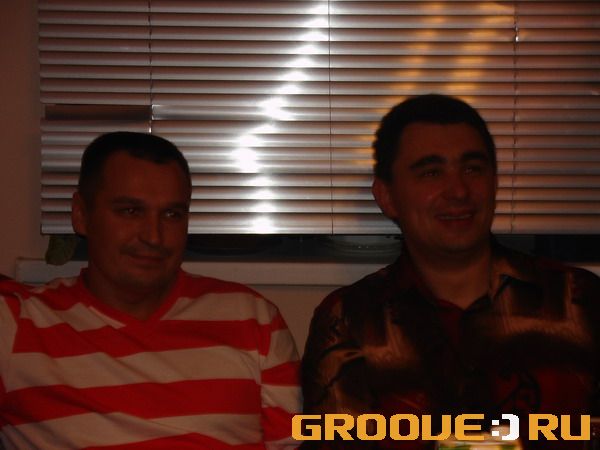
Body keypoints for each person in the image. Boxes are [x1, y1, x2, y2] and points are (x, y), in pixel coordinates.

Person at [301, 94, 599, 449]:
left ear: (495, 183)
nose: (458, 191)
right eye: (431, 172)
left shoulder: (578, 302)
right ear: (387, 197)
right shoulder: (350, 321)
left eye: (473, 169)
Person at [0, 132, 301, 449]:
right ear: (81, 215)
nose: (154, 237)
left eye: (172, 215)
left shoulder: (253, 318)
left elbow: (301, 435)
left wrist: (337, 424)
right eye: (130, 211)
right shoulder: (18, 324)